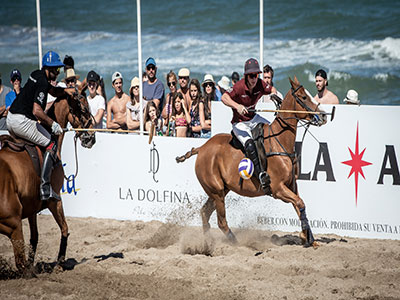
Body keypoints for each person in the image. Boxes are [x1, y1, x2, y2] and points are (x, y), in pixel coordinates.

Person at [6, 50, 75, 201]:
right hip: (21, 121)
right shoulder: (44, 81)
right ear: (48, 68)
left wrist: (66, 91)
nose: (57, 73)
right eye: (56, 69)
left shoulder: (37, 74)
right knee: (51, 144)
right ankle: (45, 187)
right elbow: (37, 111)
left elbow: (53, 90)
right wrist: (53, 124)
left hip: (11, 120)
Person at [221, 58, 272, 194]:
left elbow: (272, 89)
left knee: (271, 130)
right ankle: (260, 174)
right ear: (246, 76)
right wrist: (237, 106)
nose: (254, 78)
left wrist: (276, 96)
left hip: (253, 118)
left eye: (256, 75)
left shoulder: (260, 84)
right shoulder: (238, 86)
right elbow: (224, 98)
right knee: (249, 144)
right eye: (251, 75)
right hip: (240, 123)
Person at [161, 70, 177, 136]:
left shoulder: (179, 95)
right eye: (169, 84)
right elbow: (163, 113)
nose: (171, 86)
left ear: (176, 82)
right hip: (167, 124)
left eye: (173, 83)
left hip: (174, 124)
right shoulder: (168, 96)